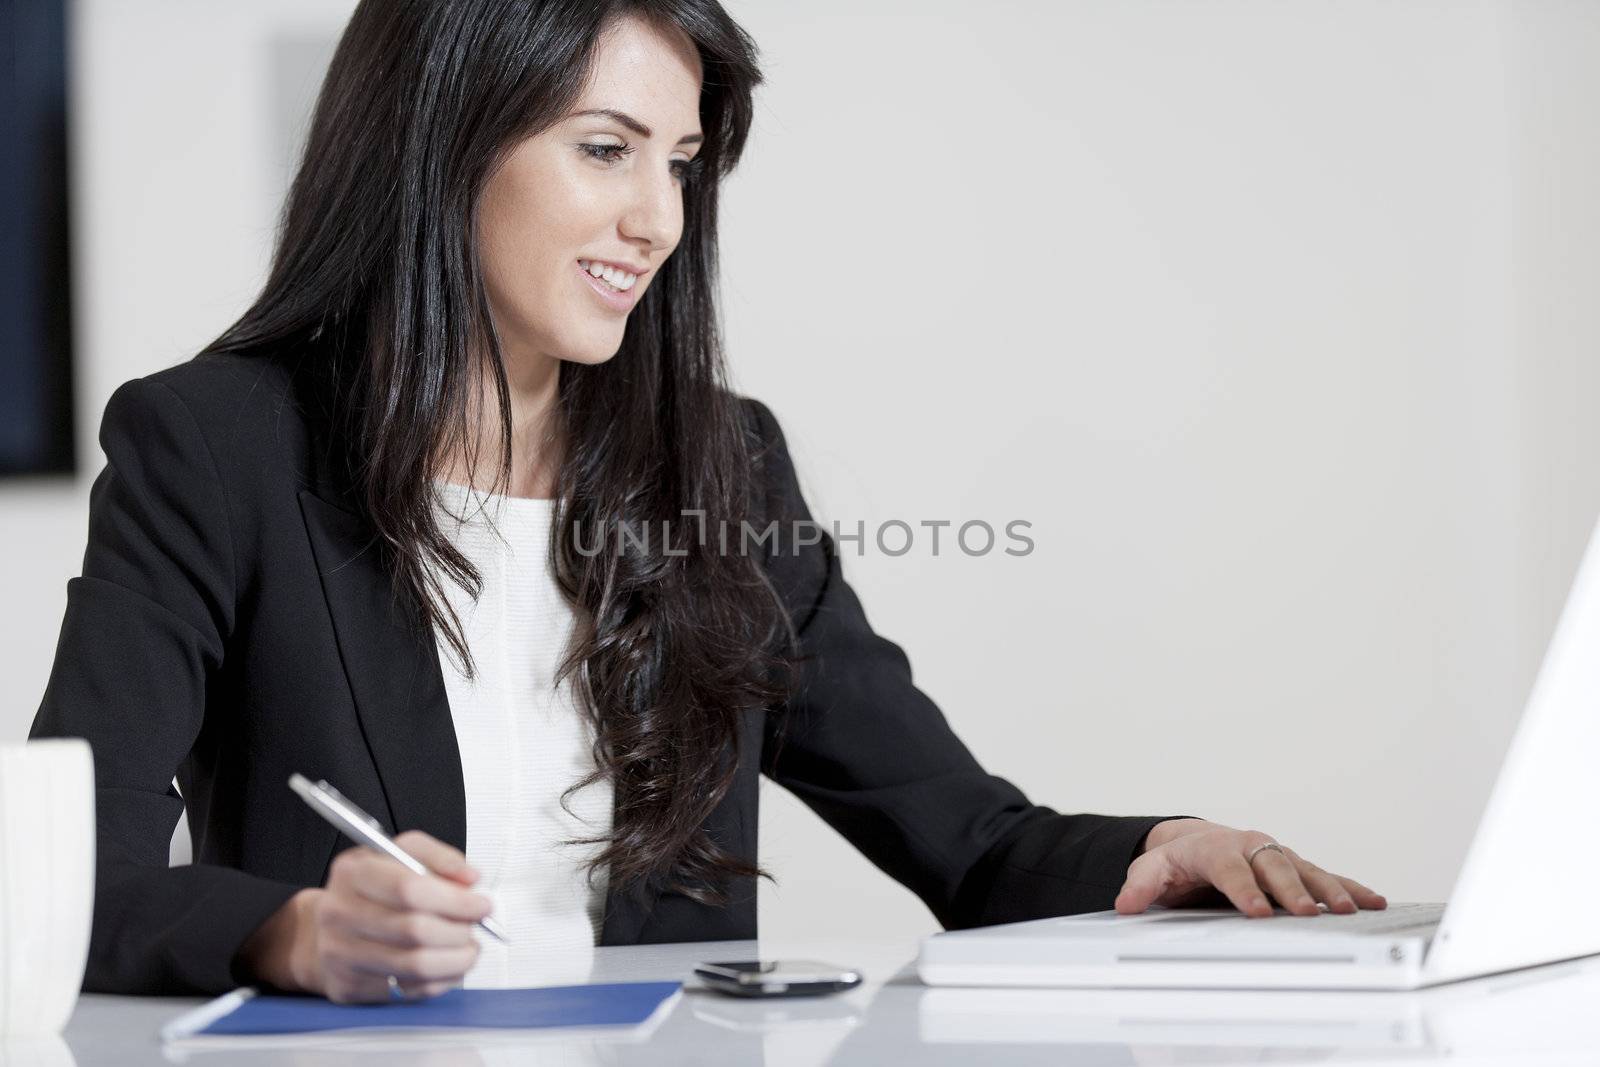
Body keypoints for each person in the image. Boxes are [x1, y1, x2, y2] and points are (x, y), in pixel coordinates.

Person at [30, 0, 1385, 1003]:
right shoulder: (215, 446)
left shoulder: (724, 466)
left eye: (679, 161)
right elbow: (69, 880)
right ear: (439, 145)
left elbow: (966, 841)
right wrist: (292, 933)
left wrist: (1161, 852)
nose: (659, 219)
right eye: (607, 148)